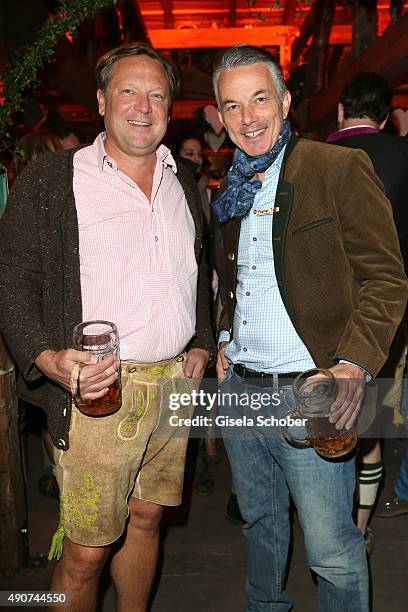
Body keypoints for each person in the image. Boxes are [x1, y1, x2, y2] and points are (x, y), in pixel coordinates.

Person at [0, 42, 214, 612]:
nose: (143, 106)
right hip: (101, 392)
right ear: (100, 101)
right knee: (87, 549)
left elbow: (197, 267)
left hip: (174, 389)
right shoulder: (52, 180)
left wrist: (202, 340)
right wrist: (45, 356)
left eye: (157, 95)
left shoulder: (182, 182)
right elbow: (12, 277)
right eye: (128, 91)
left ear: (170, 107)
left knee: (147, 519)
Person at [212, 45, 407, 611]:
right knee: (259, 527)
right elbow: (237, 278)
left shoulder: (338, 167)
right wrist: (225, 338)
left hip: (313, 391)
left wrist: (353, 364)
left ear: (285, 100)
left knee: (333, 552)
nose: (248, 118)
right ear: (221, 118)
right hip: (242, 393)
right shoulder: (234, 186)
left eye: (259, 99)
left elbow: (387, 280)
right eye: (232, 106)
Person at [327, 72, 408, 548]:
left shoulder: (312, 155)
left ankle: (334, 524)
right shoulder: (402, 156)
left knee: (332, 417)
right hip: (389, 308)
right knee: (370, 419)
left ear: (340, 111)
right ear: (387, 118)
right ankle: (357, 528)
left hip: (330, 310)